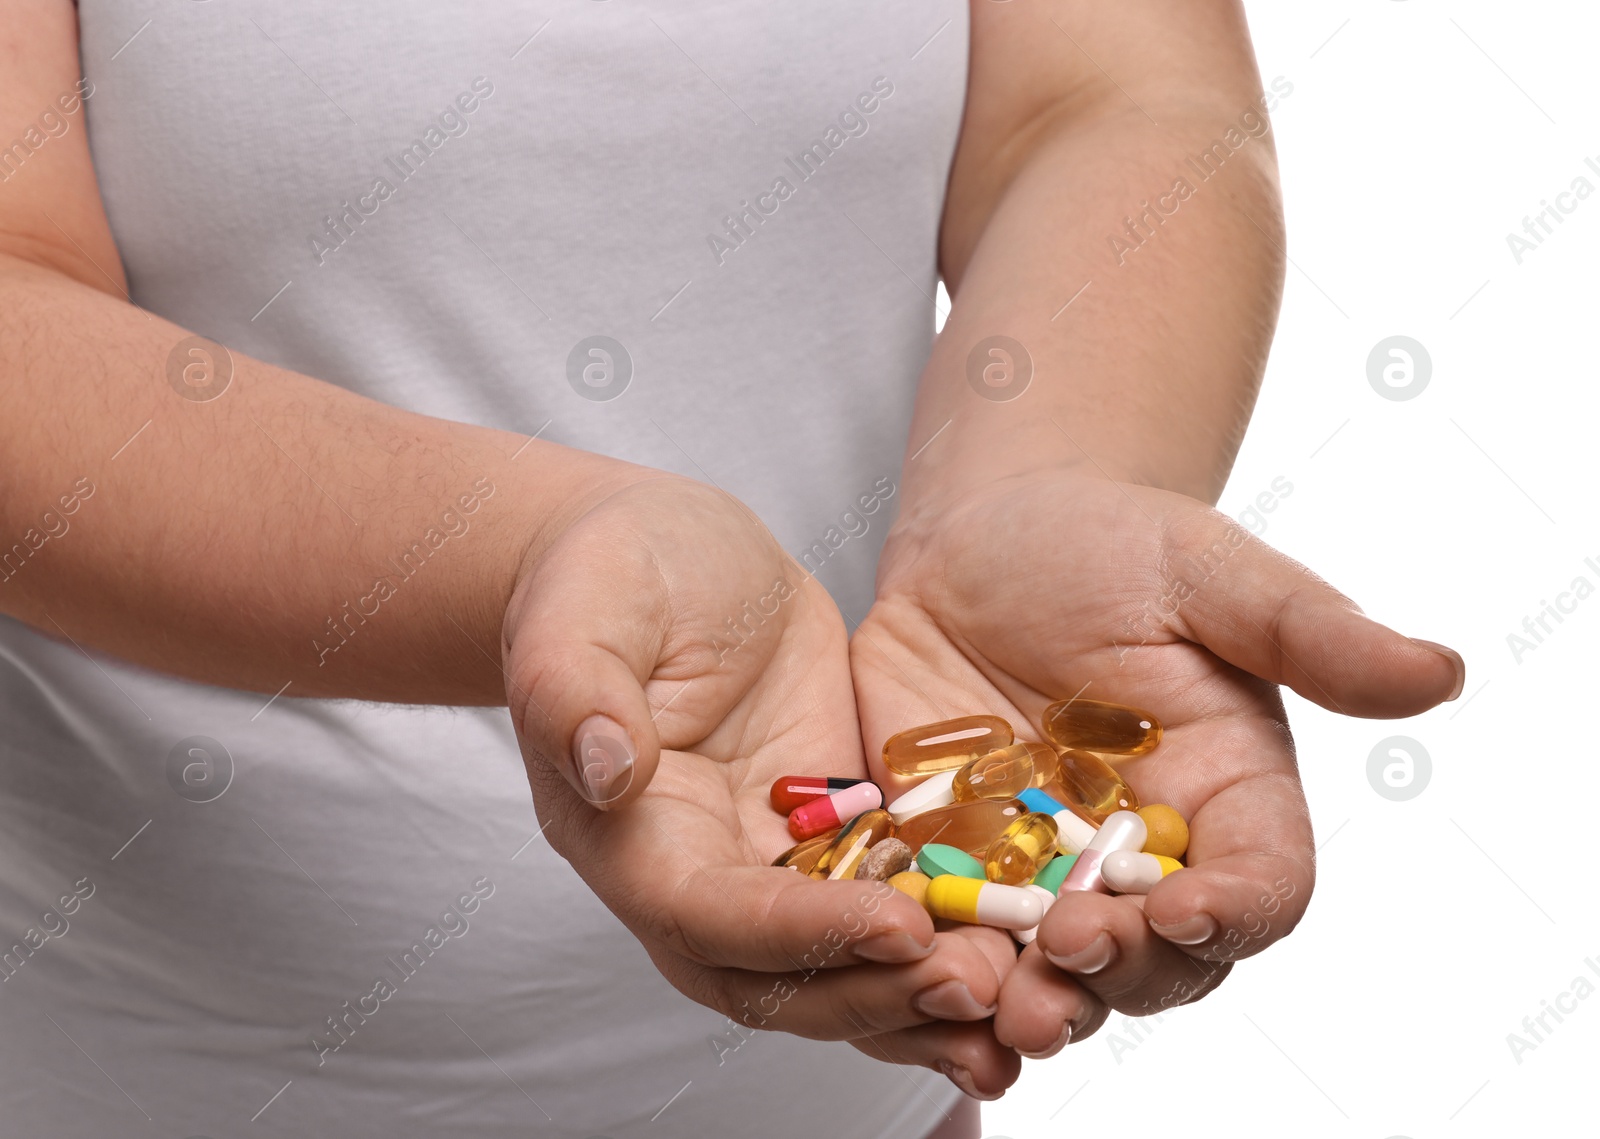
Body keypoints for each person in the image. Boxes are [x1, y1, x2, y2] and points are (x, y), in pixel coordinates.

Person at [0, 1, 1463, 1135]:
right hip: (131, 1067)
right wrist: (534, 560)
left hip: (869, 1089)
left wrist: (1042, 486)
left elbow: (1109, 103)